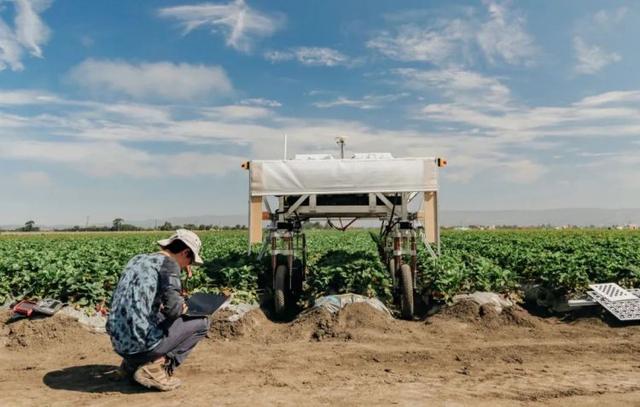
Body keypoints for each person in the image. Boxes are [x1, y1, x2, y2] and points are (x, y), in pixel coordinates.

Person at [106, 229, 208, 391]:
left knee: (155, 314)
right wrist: (182, 304)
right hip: (140, 346)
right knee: (201, 323)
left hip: (118, 343)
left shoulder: (137, 259)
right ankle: (155, 369)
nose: (188, 266)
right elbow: (174, 311)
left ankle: (130, 365)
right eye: (190, 261)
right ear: (185, 252)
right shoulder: (169, 265)